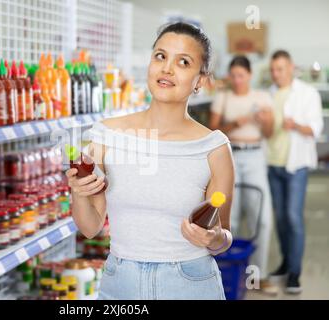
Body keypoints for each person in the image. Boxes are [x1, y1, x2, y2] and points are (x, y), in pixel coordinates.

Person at [65, 22, 235, 300]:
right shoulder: (106, 134)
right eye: (160, 56)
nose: (167, 68)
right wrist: (78, 191)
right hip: (121, 282)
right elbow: (90, 227)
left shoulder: (214, 148)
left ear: (200, 81)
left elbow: (223, 236)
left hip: (189, 283)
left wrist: (214, 238)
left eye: (183, 62)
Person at [209, 55, 277, 295]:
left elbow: (269, 132)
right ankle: (229, 273)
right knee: (231, 219)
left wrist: (264, 121)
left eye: (242, 75)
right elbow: (213, 130)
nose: (237, 80)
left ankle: (259, 276)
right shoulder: (223, 97)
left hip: (256, 157)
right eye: (234, 75)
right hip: (230, 157)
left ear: (249, 75)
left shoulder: (261, 97)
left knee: (263, 219)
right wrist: (236, 122)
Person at [268, 50, 324, 294]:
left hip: (296, 165)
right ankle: (285, 263)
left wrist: (295, 126)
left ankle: (295, 273)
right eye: (273, 70)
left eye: (280, 69)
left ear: (291, 68)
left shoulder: (307, 93)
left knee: (293, 217)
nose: (276, 74)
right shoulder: (269, 94)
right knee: (280, 219)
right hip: (272, 163)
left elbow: (315, 129)